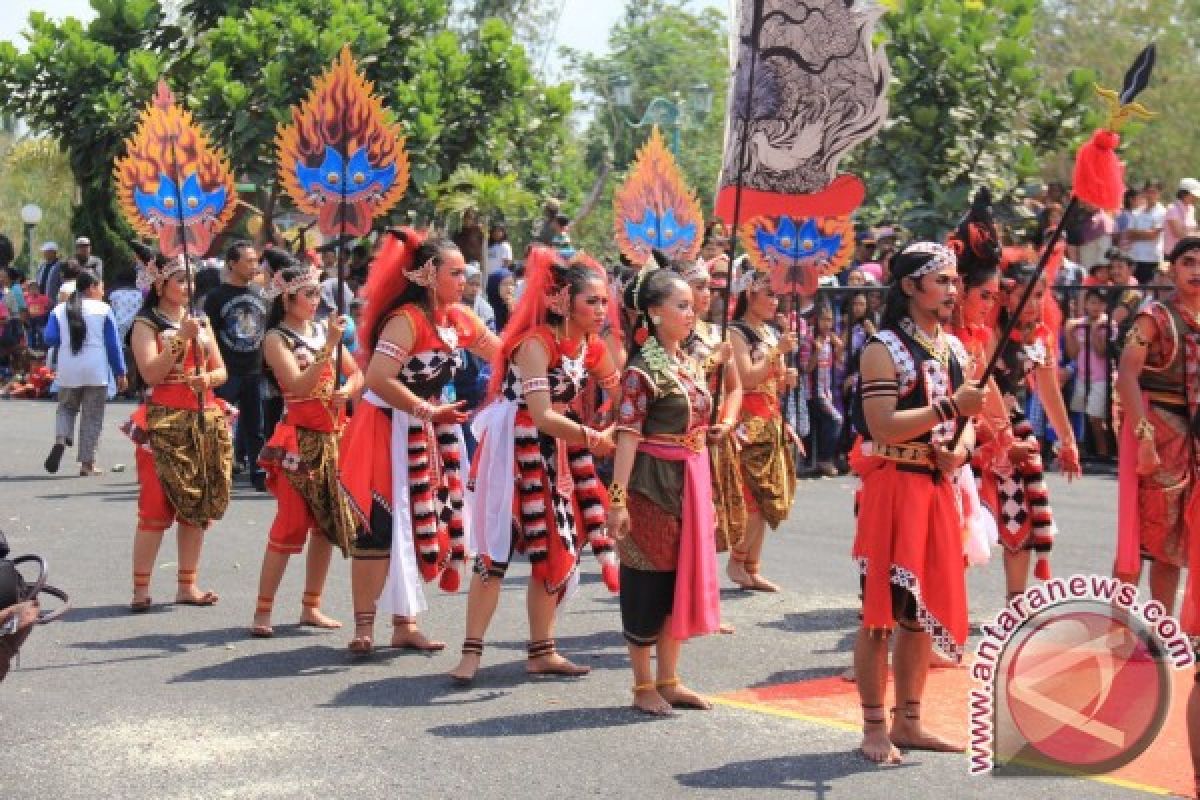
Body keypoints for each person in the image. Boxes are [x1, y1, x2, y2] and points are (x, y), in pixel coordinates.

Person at [450, 247, 620, 684]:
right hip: (515, 445)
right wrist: (593, 437)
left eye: (605, 301)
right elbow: (541, 414)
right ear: (563, 302)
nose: (601, 310)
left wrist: (624, 423)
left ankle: (542, 649)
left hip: (561, 448)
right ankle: (471, 652)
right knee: (496, 551)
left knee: (559, 545)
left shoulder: (592, 347)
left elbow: (623, 394)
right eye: (592, 302)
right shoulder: (535, 344)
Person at [850, 241, 986, 763]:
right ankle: (873, 727)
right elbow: (883, 422)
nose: (953, 290)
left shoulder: (953, 347)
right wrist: (951, 405)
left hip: (937, 490)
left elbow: (968, 426)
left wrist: (961, 451)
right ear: (910, 287)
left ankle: (910, 720)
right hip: (893, 490)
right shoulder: (881, 347)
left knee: (919, 617)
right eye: (943, 281)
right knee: (879, 615)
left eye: (955, 281)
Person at [338, 228, 500, 655]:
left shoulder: (460, 318)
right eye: (455, 273)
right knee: (380, 525)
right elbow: (377, 378)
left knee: (421, 521)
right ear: (428, 275)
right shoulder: (406, 320)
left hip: (429, 430)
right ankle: (364, 625)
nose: (463, 281)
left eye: (465, 273)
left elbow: (501, 353)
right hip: (385, 427)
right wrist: (426, 411)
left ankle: (404, 624)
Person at [609, 266, 727, 715]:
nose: (691, 310)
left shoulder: (688, 363)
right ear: (654, 313)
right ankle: (643, 686)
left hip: (689, 483)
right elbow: (627, 436)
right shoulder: (641, 372)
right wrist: (617, 501)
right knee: (647, 584)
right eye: (680, 305)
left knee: (678, 582)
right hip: (651, 487)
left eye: (690, 304)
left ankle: (670, 679)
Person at [249, 262, 363, 638]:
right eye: (310, 294)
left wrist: (348, 390)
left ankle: (311, 605)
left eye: (319, 293)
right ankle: (263, 610)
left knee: (327, 527)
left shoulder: (319, 329)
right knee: (291, 524)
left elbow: (357, 373)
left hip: (335, 437)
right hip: (299, 439)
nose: (317, 301)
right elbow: (296, 386)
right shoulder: (276, 339)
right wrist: (328, 346)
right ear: (288, 298)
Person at [125, 255, 233, 612]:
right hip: (164, 421)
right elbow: (151, 374)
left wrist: (208, 379)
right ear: (160, 285)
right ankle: (141, 588)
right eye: (180, 281)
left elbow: (221, 372)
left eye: (191, 281)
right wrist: (179, 341)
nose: (188, 288)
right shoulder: (146, 323)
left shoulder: (201, 321)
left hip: (203, 418)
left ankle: (188, 583)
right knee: (155, 507)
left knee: (197, 506)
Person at [980, 264, 1082, 597]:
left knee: (1019, 512)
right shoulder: (985, 331)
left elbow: (1050, 392)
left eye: (1040, 295)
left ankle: (1016, 600)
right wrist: (999, 435)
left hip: (1015, 429)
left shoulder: (1041, 336)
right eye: (1026, 295)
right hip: (977, 429)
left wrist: (1067, 441)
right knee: (964, 517)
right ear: (1006, 296)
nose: (1034, 304)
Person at [1116, 237, 1200, 615]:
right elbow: (1126, 376)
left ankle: (1164, 630)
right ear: (1171, 268)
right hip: (1159, 429)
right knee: (1143, 536)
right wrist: (1144, 437)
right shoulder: (1154, 318)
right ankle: (1123, 627)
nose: (1197, 271)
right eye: (1188, 262)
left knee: (1180, 539)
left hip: (1194, 437)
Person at [725, 267, 799, 592]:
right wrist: (776, 355)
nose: (775, 300)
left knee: (771, 497)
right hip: (747, 424)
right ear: (749, 294)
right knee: (753, 499)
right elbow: (746, 378)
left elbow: (772, 382)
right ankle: (737, 562)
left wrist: (786, 378)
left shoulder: (770, 332)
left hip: (771, 421)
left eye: (776, 294)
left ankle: (751, 566)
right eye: (768, 293)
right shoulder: (735, 333)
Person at [679, 256, 745, 556]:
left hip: (715, 435)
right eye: (699, 286)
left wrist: (729, 422)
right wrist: (711, 361)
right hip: (680, 437)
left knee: (712, 524)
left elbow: (734, 387)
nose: (708, 294)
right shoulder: (663, 337)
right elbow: (673, 382)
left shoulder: (716, 333)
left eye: (709, 287)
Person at [42, 270, 127, 475]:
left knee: (66, 408)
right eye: (101, 287)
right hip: (96, 370)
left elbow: (50, 338)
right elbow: (113, 345)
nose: (103, 292)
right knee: (92, 416)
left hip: (68, 369)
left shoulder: (60, 310)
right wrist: (120, 372)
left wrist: (69, 338)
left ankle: (62, 438)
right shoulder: (103, 309)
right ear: (91, 287)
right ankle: (87, 464)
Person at [204, 241, 268, 488]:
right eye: (248, 261)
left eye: (256, 261)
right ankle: (218, 472)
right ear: (232, 263)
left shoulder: (260, 295)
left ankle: (259, 474)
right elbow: (209, 335)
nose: (254, 266)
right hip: (227, 372)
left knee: (256, 428)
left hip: (254, 370)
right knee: (220, 424)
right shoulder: (216, 297)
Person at [1064, 290, 1113, 458]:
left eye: (1099, 303)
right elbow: (1073, 354)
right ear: (1085, 304)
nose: (1096, 307)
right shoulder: (1079, 324)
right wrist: (1069, 332)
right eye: (1092, 302)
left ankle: (1103, 452)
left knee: (1096, 417)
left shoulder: (1108, 324)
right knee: (1080, 413)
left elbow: (1101, 352)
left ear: (1105, 306)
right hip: (1082, 376)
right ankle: (1083, 449)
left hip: (1101, 377)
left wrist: (1093, 331)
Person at [808, 302, 844, 476]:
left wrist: (839, 348)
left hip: (827, 390)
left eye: (830, 320)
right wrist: (816, 350)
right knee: (836, 420)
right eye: (824, 320)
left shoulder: (831, 338)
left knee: (828, 423)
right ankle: (824, 459)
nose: (827, 324)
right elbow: (807, 368)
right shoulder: (811, 338)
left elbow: (838, 363)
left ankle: (824, 459)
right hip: (814, 390)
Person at [1129, 182, 1167, 285]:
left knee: (1150, 289)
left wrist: (1138, 234)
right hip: (1135, 258)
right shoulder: (1136, 212)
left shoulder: (1162, 212)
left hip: (1152, 259)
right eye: (1148, 192)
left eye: (1154, 192)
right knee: (1135, 291)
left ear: (1159, 193)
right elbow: (1129, 233)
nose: (1150, 195)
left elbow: (1153, 235)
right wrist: (1146, 233)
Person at [1164, 179, 1200, 255]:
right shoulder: (1172, 209)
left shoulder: (1191, 209)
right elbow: (1179, 233)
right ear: (1184, 194)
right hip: (1173, 254)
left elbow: (1194, 228)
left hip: (1187, 253)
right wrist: (1196, 235)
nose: (1196, 198)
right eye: (1193, 195)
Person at [486, 265, 516, 332]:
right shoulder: (486, 309)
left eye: (512, 284)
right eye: (505, 284)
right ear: (494, 286)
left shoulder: (517, 307)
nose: (509, 288)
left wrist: (513, 313)